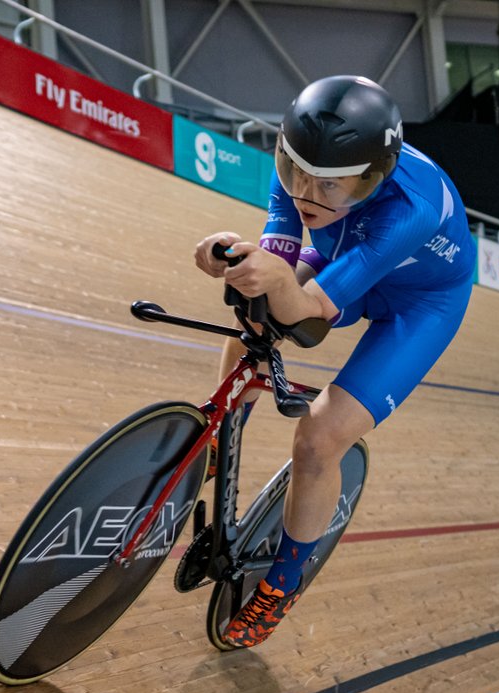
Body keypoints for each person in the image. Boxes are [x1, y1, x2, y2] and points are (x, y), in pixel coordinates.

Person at [193, 75, 476, 648]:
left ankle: (283, 583)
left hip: (419, 305)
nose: (305, 195)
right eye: (295, 173)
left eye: (331, 187)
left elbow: (311, 313)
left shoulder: (413, 209)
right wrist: (239, 261)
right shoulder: (303, 165)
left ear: (374, 176)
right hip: (350, 255)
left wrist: (277, 281)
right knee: (253, 323)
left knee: (319, 439)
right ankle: (219, 440)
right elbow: (278, 254)